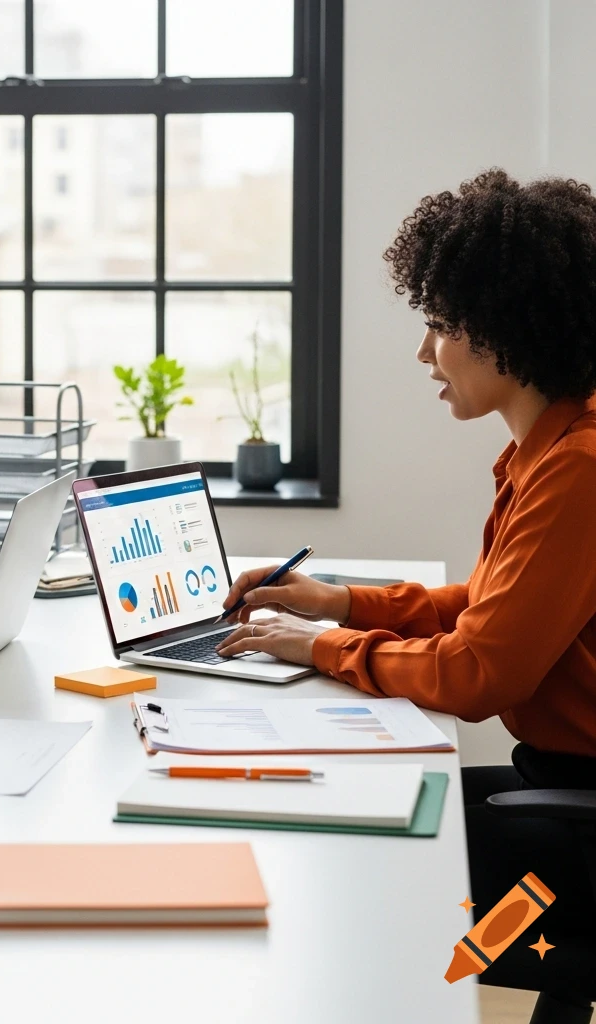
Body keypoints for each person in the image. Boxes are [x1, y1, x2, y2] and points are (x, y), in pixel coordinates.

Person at [217, 170, 596, 977]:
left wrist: (317, 648)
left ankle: (418, 981)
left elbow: (476, 672)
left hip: (584, 835)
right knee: (365, 811)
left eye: (440, 325)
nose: (425, 351)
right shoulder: (552, 454)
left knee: (366, 860)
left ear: (506, 327)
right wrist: (341, 603)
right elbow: (494, 610)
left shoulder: (580, 471)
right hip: (561, 786)